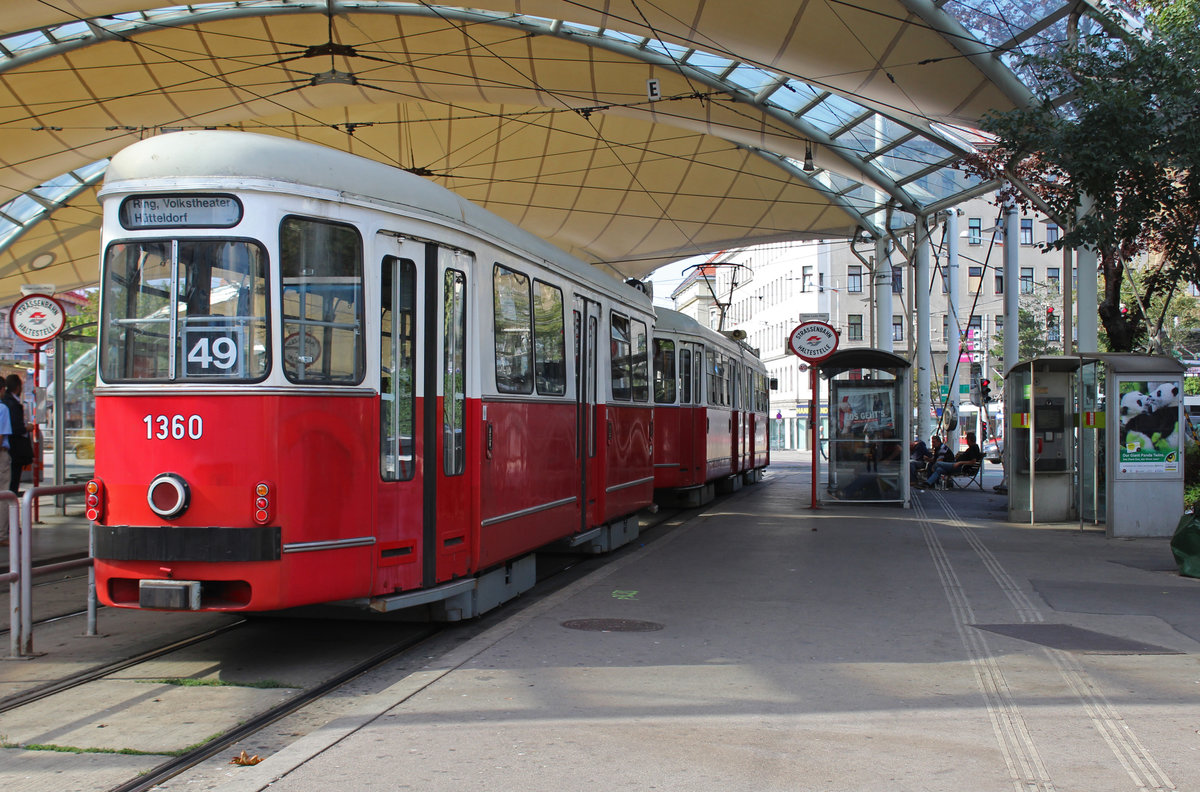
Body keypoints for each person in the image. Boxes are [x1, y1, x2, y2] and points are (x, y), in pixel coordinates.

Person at [2, 374, 32, 496]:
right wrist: (27, 428)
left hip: (10, 449)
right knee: (11, 484)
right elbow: (13, 428)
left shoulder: (6, 402)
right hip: (12, 449)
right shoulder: (9, 405)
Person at [0, 380, 11, 546]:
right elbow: (1, 436)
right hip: (1, 455)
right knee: (2, 495)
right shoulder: (2, 409)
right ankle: (2, 535)